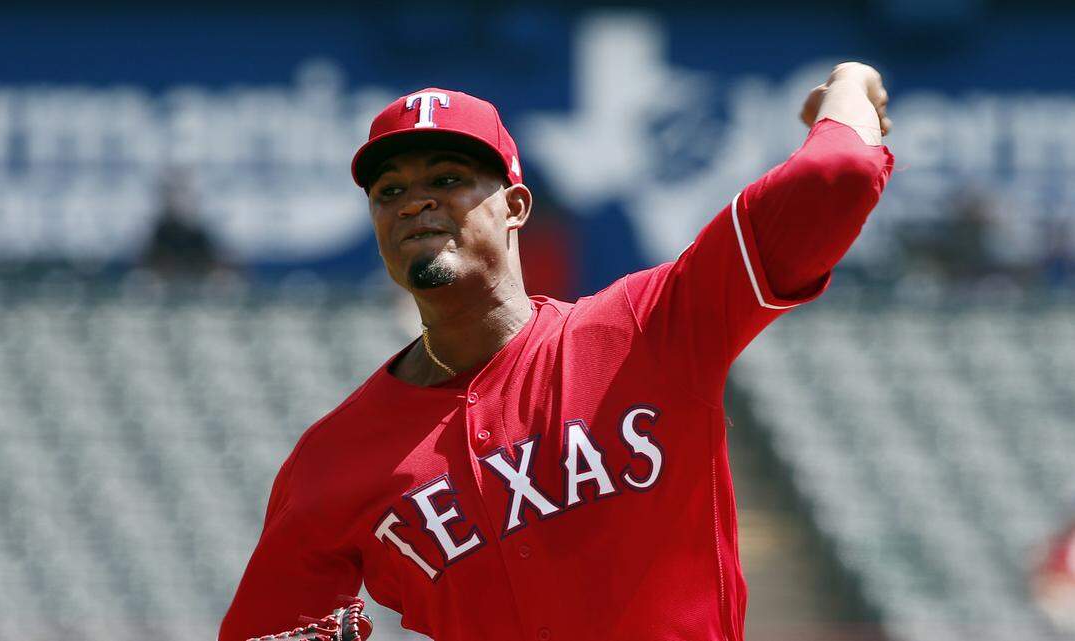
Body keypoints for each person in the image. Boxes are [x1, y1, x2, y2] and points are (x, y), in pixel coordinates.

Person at [219, 62, 894, 641]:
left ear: (515, 206)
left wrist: (851, 85)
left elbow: (837, 174)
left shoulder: (647, 326)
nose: (413, 200)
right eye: (388, 190)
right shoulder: (331, 461)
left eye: (449, 177)